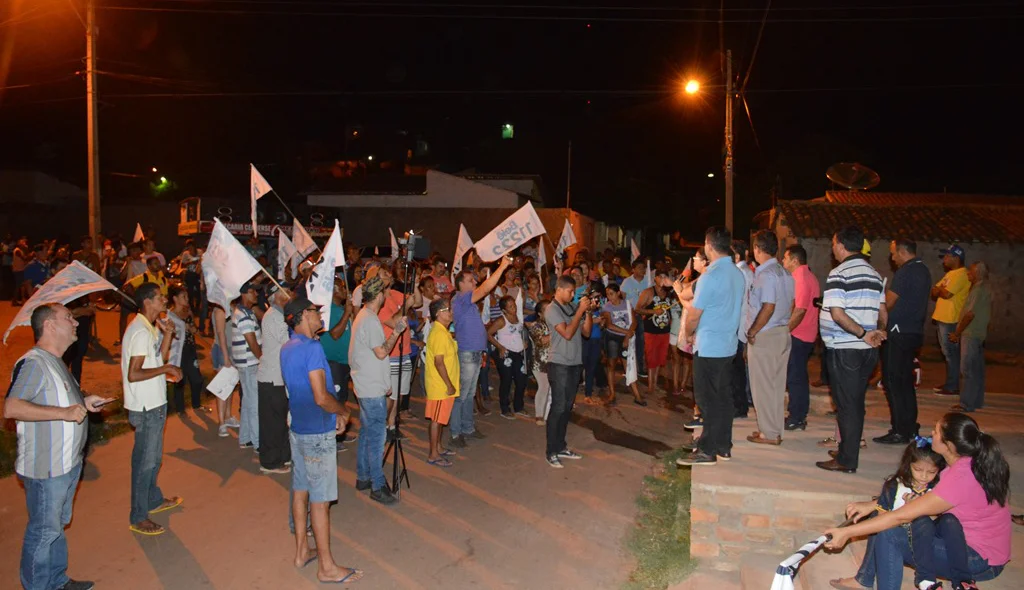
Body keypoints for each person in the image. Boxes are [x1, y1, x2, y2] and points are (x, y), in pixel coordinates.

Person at [825, 413, 1011, 590]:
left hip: (976, 559)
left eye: (937, 432)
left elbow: (900, 517)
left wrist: (846, 532)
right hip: (960, 540)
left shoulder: (960, 477)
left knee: (889, 534)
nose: (932, 434)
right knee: (880, 515)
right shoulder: (966, 461)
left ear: (949, 445)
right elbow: (926, 501)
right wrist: (873, 505)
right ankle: (864, 579)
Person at [6, 304, 111, 590]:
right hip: (46, 468)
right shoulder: (34, 363)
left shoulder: (56, 361)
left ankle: (56, 581)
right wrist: (64, 414)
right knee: (43, 532)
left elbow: (64, 400)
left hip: (66, 464)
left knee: (55, 528)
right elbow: (12, 407)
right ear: (50, 326)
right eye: (69, 317)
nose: (76, 322)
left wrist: (84, 403)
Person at [279, 296, 364, 584]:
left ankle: (302, 550)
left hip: (299, 429)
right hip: (317, 431)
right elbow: (320, 396)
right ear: (303, 316)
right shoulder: (312, 348)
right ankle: (326, 567)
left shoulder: (287, 347)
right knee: (320, 500)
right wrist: (344, 410)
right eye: (315, 311)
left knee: (301, 489)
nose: (319, 315)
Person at [828, 438, 946, 590]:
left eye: (931, 472)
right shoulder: (896, 484)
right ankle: (864, 578)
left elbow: (939, 521)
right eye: (918, 470)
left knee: (887, 531)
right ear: (908, 465)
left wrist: (918, 509)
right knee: (878, 519)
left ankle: (869, 579)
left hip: (923, 540)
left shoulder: (939, 488)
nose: (924, 476)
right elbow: (885, 510)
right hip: (899, 529)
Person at [815, 226, 887, 474]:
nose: (832, 248)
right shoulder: (875, 274)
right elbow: (882, 312)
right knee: (854, 402)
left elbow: (837, 313)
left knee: (847, 405)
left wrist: (863, 333)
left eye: (833, 243)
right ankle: (848, 450)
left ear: (842, 245)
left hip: (847, 349)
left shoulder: (840, 273)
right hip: (867, 351)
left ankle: (847, 461)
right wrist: (879, 332)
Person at [676, 227, 745, 467]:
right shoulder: (737, 274)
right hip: (728, 345)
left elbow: (694, 315)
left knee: (706, 400)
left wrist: (688, 333)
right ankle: (722, 445)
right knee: (723, 398)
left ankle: (707, 449)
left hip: (709, 346)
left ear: (708, 245)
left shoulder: (710, 277)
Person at [122, 282, 184, 536]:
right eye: (159, 298)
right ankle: (138, 516)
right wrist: (166, 370)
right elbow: (134, 373)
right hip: (146, 406)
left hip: (155, 403)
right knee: (145, 463)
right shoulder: (139, 331)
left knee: (153, 459)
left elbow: (158, 357)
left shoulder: (148, 328)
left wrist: (167, 334)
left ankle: (152, 500)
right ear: (147, 302)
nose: (164, 301)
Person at [349, 276, 407, 505]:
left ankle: (363, 477)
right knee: (376, 437)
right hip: (370, 388)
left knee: (366, 433)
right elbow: (382, 352)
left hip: (367, 384)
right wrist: (397, 332)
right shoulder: (370, 320)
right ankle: (377, 484)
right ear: (379, 296)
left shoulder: (363, 316)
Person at [449, 257, 511, 448]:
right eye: (470, 280)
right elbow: (485, 289)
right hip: (467, 353)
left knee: (468, 395)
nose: (474, 282)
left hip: (475, 352)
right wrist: (502, 266)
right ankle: (455, 433)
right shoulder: (460, 299)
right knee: (461, 395)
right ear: (460, 284)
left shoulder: (468, 302)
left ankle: (467, 428)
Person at [875, 239, 932, 445]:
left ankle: (900, 429)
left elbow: (889, 302)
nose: (892, 258)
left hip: (898, 333)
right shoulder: (923, 269)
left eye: (893, 253)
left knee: (893, 381)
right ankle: (909, 426)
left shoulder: (906, 271)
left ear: (901, 251)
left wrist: (877, 314)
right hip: (913, 332)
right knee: (905, 382)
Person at [744, 230, 795, 446]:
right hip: (782, 331)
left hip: (766, 334)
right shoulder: (784, 272)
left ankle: (768, 433)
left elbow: (768, 306)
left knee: (762, 386)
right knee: (775, 386)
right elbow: (791, 303)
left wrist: (753, 331)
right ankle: (774, 430)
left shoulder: (765, 274)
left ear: (757, 249)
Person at [544, 275, 593, 468]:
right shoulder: (552, 309)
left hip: (574, 363)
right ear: (559, 289)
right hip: (559, 364)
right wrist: (580, 310)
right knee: (558, 407)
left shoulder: (572, 307)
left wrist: (587, 312)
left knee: (567, 407)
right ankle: (551, 451)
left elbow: (586, 332)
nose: (573, 295)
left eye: (575, 292)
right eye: (570, 291)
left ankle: (561, 446)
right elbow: (566, 333)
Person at [782, 244, 820, 431]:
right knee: (797, 377)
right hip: (803, 335)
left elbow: (799, 311)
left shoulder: (802, 278)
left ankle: (797, 417)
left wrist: (784, 332)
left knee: (795, 378)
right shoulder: (804, 276)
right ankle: (797, 414)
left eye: (785, 258)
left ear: (795, 260)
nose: (783, 261)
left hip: (800, 335)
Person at [257, 285, 293, 474]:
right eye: (286, 292)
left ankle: (282, 456)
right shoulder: (273, 316)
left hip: (278, 376)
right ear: (277, 296)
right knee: (272, 422)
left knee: (279, 420)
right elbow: (287, 342)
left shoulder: (279, 316)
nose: (290, 295)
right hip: (271, 377)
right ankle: (269, 462)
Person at [320, 275, 357, 449]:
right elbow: (335, 334)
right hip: (333, 363)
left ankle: (339, 434)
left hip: (343, 363)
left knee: (342, 399)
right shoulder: (329, 310)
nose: (345, 292)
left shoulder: (340, 308)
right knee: (334, 400)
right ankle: (332, 438)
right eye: (342, 288)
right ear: (334, 291)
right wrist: (347, 313)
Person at [950, 262, 991, 413]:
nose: (968, 274)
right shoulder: (984, 288)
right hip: (978, 334)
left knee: (966, 369)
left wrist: (957, 332)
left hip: (971, 333)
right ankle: (976, 401)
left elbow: (970, 314)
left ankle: (966, 403)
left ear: (978, 273)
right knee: (976, 370)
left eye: (971, 272)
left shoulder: (978, 290)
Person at [424, 298, 460, 467]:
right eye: (448, 309)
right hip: (440, 386)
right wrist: (449, 384)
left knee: (440, 419)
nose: (451, 312)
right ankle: (433, 454)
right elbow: (439, 362)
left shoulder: (443, 330)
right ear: (438, 314)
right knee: (436, 420)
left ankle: (438, 447)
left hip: (444, 386)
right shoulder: (438, 333)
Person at [931, 244, 970, 397]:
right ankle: (950, 383)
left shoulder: (962, 274)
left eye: (947, 256)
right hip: (943, 318)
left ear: (956, 257)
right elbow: (934, 291)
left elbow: (946, 294)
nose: (944, 260)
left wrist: (940, 290)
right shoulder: (951, 274)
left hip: (951, 319)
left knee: (951, 354)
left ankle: (953, 385)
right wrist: (940, 290)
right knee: (947, 353)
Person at [600, 283, 644, 406]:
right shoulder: (607, 307)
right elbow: (609, 325)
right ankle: (612, 393)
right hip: (612, 338)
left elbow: (634, 321)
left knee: (628, 365)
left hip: (625, 337)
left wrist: (627, 335)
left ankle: (637, 394)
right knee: (611, 365)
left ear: (618, 293)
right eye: (607, 294)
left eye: (611, 294)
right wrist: (628, 333)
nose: (609, 297)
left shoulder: (627, 304)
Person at [232, 282, 263, 451]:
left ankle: (245, 437)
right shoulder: (243, 315)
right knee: (254, 404)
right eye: (252, 292)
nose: (256, 295)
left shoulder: (246, 312)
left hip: (247, 363)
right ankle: (258, 443)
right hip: (249, 363)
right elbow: (252, 342)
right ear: (244, 294)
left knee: (248, 401)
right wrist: (262, 360)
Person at [164, 285, 204, 414]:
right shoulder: (170, 315)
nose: (187, 299)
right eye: (184, 297)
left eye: (187, 296)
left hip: (190, 349)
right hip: (178, 350)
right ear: (175, 298)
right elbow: (167, 334)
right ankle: (180, 409)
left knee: (197, 379)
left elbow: (195, 330)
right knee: (180, 380)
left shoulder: (188, 312)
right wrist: (181, 328)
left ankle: (196, 405)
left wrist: (193, 330)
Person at [488, 295, 529, 419]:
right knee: (506, 381)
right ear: (504, 310)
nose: (514, 308)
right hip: (506, 354)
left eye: (514, 305)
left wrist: (524, 342)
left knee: (521, 381)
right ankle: (504, 409)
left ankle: (518, 407)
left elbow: (521, 332)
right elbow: (488, 334)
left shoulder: (518, 317)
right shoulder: (501, 320)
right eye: (510, 306)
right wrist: (500, 347)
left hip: (519, 353)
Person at [637, 270, 673, 401]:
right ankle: (650, 386)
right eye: (661, 276)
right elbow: (638, 309)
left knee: (660, 358)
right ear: (655, 278)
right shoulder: (648, 292)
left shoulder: (668, 293)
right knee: (651, 357)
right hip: (651, 330)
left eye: (666, 276)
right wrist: (653, 311)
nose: (664, 279)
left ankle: (655, 383)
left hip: (664, 330)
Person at [730, 240, 755, 419]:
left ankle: (739, 407)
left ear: (736, 256)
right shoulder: (747, 272)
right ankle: (740, 405)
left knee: (736, 369)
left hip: (738, 326)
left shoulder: (739, 273)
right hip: (742, 325)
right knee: (738, 369)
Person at [211, 302, 240, 437]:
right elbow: (221, 333)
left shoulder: (231, 307)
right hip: (223, 350)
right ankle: (221, 422)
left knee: (230, 385)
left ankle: (228, 416)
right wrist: (226, 356)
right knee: (222, 388)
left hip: (231, 349)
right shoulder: (220, 310)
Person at [620, 259, 650, 376]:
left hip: (644, 315)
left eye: (644, 268)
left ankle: (641, 368)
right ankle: (627, 368)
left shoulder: (648, 282)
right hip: (631, 315)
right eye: (640, 268)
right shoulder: (627, 282)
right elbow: (623, 299)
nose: (643, 270)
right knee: (629, 341)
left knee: (641, 342)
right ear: (633, 269)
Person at [528, 299, 553, 425]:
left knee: (551, 388)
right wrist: (556, 333)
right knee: (543, 387)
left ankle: (549, 414)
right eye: (546, 309)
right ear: (539, 313)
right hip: (540, 362)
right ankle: (539, 416)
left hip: (554, 360)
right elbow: (541, 341)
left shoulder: (553, 323)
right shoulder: (536, 326)